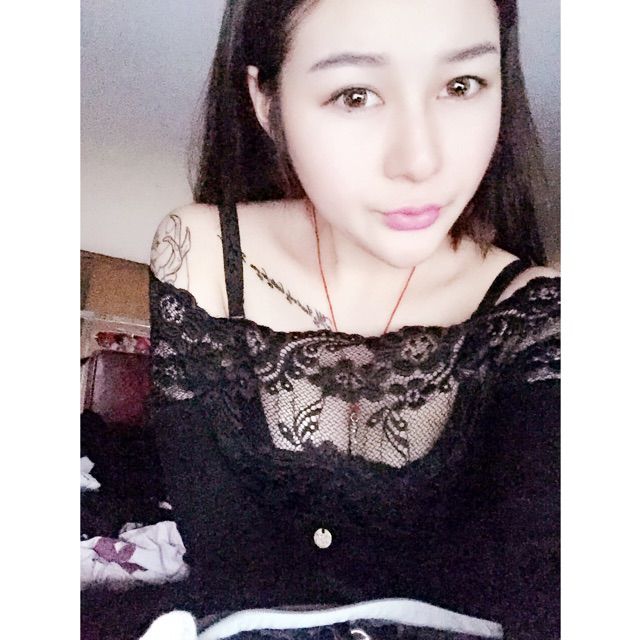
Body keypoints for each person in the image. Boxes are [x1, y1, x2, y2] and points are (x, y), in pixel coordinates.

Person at [83, 0, 560, 638]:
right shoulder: (201, 253)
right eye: (355, 95)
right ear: (266, 101)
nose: (421, 160)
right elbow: (224, 559)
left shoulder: (538, 313)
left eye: (461, 85)